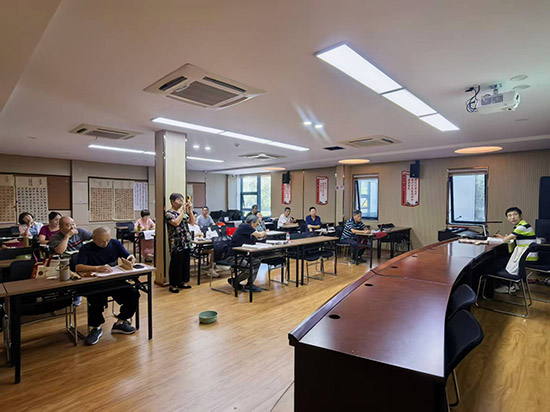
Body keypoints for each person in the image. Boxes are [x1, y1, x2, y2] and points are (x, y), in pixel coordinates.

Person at [75, 227, 139, 346]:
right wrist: (97, 268)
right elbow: (78, 267)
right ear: (94, 239)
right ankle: (95, 328)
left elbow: (127, 256)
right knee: (96, 298)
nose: (105, 244)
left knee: (133, 294)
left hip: (114, 280)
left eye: (107, 240)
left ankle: (120, 322)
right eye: (101, 241)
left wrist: (131, 258)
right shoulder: (86, 248)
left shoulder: (115, 243)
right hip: (96, 282)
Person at [494, 207, 538, 293]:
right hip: (526, 254)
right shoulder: (521, 226)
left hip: (527, 257)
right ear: (507, 218)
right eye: (510, 215)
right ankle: (513, 283)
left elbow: (506, 240)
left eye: (515, 214)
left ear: (520, 216)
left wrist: (491, 240)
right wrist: (502, 237)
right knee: (503, 258)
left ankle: (507, 286)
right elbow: (511, 238)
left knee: (499, 262)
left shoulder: (523, 226)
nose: (513, 217)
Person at [227, 214, 266, 292]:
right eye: (257, 223)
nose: (258, 225)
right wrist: (263, 232)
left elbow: (254, 240)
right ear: (252, 223)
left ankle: (249, 284)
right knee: (249, 269)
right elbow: (260, 235)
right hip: (234, 256)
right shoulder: (244, 226)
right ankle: (235, 281)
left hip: (242, 255)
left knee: (257, 261)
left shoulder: (249, 231)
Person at [165, 193, 195, 293]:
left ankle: (183, 282)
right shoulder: (169, 213)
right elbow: (176, 223)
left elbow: (192, 222)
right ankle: (173, 285)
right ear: (172, 202)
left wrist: (190, 210)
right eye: (179, 200)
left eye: (182, 200)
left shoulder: (183, 213)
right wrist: (182, 211)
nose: (182, 202)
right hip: (176, 242)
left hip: (186, 241)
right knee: (175, 264)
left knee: (185, 263)